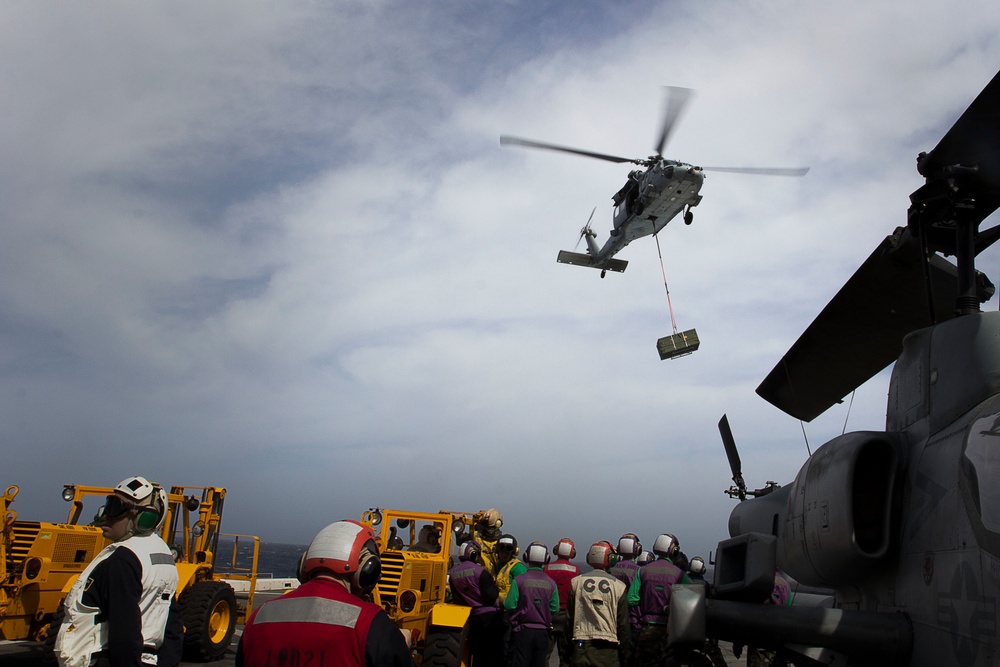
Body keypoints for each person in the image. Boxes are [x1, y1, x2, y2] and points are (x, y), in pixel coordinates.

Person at [236, 520, 413, 667]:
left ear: (304, 564)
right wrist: (398, 647)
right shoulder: (372, 624)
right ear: (367, 570)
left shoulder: (259, 617)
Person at [54, 475, 183, 667]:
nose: (106, 515)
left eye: (115, 508)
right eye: (107, 505)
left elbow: (125, 632)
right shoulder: (162, 555)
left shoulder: (123, 559)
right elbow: (172, 628)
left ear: (143, 517)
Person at [628, 533, 690, 667]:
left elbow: (631, 599)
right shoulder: (680, 574)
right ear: (674, 551)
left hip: (646, 630)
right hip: (669, 632)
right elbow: (690, 600)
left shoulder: (642, 571)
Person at [567, 541, 630, 667]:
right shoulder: (619, 586)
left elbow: (569, 622)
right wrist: (626, 658)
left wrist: (565, 658)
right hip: (608, 651)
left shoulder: (576, 583)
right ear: (611, 559)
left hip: (581, 648)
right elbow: (623, 626)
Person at [449, 540, 504, 667]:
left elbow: (457, 599)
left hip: (473, 619)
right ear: (474, 554)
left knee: (478, 656)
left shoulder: (453, 574)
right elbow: (491, 595)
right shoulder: (480, 572)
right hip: (490, 618)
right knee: (494, 655)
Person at [505, 542, 559, 667]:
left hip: (522, 632)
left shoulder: (519, 580)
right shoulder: (551, 583)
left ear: (526, 557)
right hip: (542, 634)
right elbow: (554, 609)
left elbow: (509, 605)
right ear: (546, 559)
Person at [544, 538, 580, 667]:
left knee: (545, 655)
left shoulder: (547, 568)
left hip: (549, 615)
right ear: (572, 553)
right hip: (567, 616)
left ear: (556, 550)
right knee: (565, 656)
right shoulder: (576, 571)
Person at [609, 533, 642, 665]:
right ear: (637, 550)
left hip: (611, 620)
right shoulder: (640, 571)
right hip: (632, 621)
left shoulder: (610, 570)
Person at [494, 533, 527, 605]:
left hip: (511, 610)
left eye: (507, 553)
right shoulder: (497, 565)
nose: (503, 555)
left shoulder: (518, 568)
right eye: (502, 552)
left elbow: (524, 590)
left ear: (513, 552)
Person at [474, 508, 505, 574]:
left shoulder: (475, 536)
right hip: (491, 578)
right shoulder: (502, 542)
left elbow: (460, 541)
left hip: (479, 576)